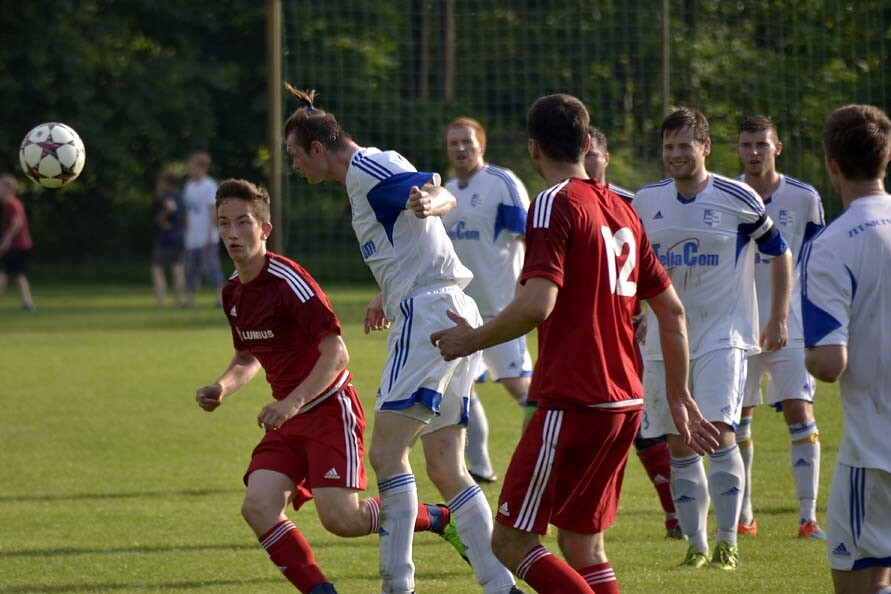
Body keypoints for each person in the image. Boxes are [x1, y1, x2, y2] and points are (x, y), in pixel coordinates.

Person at [432, 94, 718, 594]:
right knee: (583, 542)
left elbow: (537, 303)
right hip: (625, 400)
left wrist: (469, 339)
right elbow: (670, 310)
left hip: (576, 398)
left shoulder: (553, 202)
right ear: (588, 144)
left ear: (533, 148)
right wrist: (677, 395)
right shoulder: (622, 210)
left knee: (511, 542)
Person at [282, 86, 524, 594]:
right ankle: (500, 586)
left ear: (317, 149)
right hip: (446, 306)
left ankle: (398, 586)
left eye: (294, 155)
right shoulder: (364, 176)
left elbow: (440, 194)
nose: (294, 166)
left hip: (429, 313)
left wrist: (431, 201)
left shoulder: (368, 170)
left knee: (387, 456)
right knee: (446, 466)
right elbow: (409, 237)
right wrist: (384, 293)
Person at [195, 178, 462, 594]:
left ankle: (436, 517)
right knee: (259, 505)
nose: (232, 233)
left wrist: (292, 402)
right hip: (288, 416)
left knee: (342, 520)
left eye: (243, 223)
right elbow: (248, 357)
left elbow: (337, 353)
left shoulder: (289, 281)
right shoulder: (232, 292)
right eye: (224, 223)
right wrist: (222, 386)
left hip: (327, 409)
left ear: (264, 229)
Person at [633, 107, 793, 570]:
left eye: (685, 145)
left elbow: (778, 253)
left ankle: (728, 540)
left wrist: (778, 316)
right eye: (669, 147)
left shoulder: (736, 196)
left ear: (705, 147)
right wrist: (638, 312)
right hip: (666, 336)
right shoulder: (646, 201)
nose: (676, 154)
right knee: (678, 441)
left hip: (723, 333)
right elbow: (636, 265)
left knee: (718, 433)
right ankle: (697, 546)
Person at [802, 104, 891, 594]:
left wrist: (806, 353)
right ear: (888, 155)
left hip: (876, 451)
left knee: (858, 580)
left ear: (831, 163)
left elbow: (830, 364)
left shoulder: (832, 244)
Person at [584, 127, 682, 540]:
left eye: (593, 154)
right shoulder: (561, 203)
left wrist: (644, 311)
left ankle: (676, 514)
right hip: (586, 337)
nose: (586, 162)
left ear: (606, 158)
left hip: (628, 334)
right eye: (580, 153)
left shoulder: (631, 204)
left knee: (641, 426)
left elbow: (652, 260)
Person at [735, 115, 826, 539]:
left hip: (790, 323)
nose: (754, 152)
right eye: (747, 145)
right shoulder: (727, 195)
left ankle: (808, 518)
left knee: (798, 410)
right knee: (737, 418)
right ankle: (745, 513)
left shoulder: (804, 197)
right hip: (738, 325)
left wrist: (796, 316)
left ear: (778, 148)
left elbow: (817, 261)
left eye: (762, 144)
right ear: (737, 150)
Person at [441, 116, 533, 483]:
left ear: (482, 146)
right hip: (462, 311)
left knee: (520, 387)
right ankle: (479, 467)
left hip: (502, 309)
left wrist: (530, 290)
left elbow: (529, 236)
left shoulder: (502, 183)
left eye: (467, 142)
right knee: (460, 387)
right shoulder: (445, 192)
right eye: (454, 143)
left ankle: (550, 449)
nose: (461, 149)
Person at [183, 151, 225, 308]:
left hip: (206, 235)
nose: (190, 170)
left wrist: (211, 232)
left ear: (201, 167)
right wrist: (186, 230)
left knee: (211, 267)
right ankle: (190, 299)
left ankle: (220, 297)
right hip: (192, 236)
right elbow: (187, 210)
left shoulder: (209, 185)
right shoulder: (188, 186)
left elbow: (212, 209)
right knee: (191, 268)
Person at [151, 170, 187, 308]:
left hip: (166, 238)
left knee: (157, 268)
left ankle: (160, 302)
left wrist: (163, 217)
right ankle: (178, 301)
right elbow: (183, 218)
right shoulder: (180, 197)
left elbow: (169, 210)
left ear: (167, 183)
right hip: (179, 236)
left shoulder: (166, 197)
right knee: (177, 267)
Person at [0, 174, 36, 312]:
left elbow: (17, 223)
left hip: (17, 246)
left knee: (4, 272)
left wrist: (6, 241)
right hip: (23, 245)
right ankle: (28, 304)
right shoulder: (14, 202)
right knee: (18, 274)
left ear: (7, 188)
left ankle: (28, 304)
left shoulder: (10, 203)